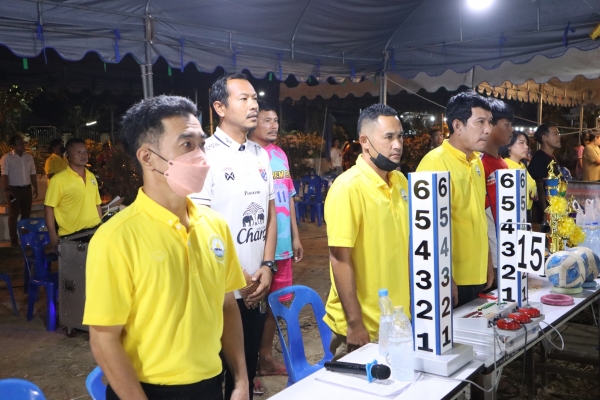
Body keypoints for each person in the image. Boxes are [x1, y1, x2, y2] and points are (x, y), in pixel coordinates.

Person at [83, 95, 249, 400]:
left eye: (201, 144)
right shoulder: (115, 239)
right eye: (187, 144)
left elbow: (227, 306)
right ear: (147, 157)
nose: (200, 156)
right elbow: (104, 338)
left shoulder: (215, 226)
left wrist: (240, 379)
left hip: (210, 384)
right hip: (147, 390)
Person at [190, 73, 276, 400]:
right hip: (220, 292)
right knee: (214, 376)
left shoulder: (261, 154)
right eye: (244, 99)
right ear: (220, 107)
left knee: (245, 373)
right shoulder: (204, 156)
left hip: (256, 286)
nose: (253, 105)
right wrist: (237, 277)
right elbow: (200, 225)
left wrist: (267, 266)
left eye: (255, 98)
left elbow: (270, 215)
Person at [323, 103, 410, 360]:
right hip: (362, 327)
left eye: (400, 136)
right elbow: (340, 259)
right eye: (389, 137)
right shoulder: (348, 187)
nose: (397, 145)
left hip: (396, 320)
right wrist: (354, 323)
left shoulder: (400, 182)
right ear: (365, 142)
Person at [417, 91, 494, 307]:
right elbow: (426, 232)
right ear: (458, 126)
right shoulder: (434, 164)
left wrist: (487, 262)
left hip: (476, 274)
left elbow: (479, 217)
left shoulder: (476, 162)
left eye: (489, 122)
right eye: (480, 122)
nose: (488, 129)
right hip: (452, 280)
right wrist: (443, 277)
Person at [248, 100, 304, 381]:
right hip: (259, 248)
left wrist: (296, 236)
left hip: (283, 246)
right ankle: (249, 365)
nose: (273, 126)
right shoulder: (250, 156)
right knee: (253, 306)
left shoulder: (280, 154)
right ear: (253, 124)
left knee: (276, 304)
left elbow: (289, 197)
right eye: (267, 120)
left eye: (275, 121)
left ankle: (266, 357)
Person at [44, 138, 102, 249]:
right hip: (71, 236)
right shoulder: (58, 180)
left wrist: (101, 226)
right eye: (78, 152)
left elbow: (97, 204)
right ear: (68, 156)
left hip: (94, 232)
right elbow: (49, 207)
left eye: (85, 152)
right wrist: (52, 234)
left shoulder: (91, 176)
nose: (83, 155)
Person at [481, 99, 514, 272]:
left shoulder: (503, 164)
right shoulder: (479, 164)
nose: (511, 130)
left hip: (506, 249)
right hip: (491, 256)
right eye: (507, 124)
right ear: (490, 125)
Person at [1, 135, 38, 246]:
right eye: (20, 143)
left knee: (26, 214)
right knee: (13, 214)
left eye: (23, 143)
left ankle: (25, 238)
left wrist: (35, 187)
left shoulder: (29, 157)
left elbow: (33, 173)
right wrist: (6, 189)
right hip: (14, 190)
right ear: (13, 146)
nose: (23, 145)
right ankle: (13, 239)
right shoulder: (7, 158)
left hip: (26, 189)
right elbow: (4, 175)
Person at [499, 131, 538, 221]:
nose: (526, 147)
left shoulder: (522, 165)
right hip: (514, 215)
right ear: (509, 146)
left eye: (526, 143)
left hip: (526, 212)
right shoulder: (505, 166)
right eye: (521, 143)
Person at [527, 123, 561, 224]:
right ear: (544, 137)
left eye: (558, 134)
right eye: (555, 134)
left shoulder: (552, 157)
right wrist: (546, 211)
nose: (559, 137)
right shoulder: (539, 159)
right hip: (543, 215)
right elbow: (539, 186)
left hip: (554, 209)